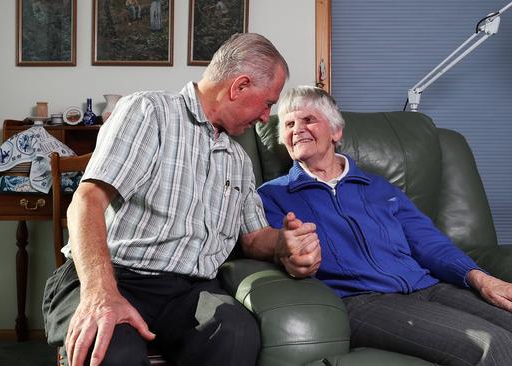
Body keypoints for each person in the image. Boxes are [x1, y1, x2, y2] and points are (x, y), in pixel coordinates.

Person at [257, 85, 512, 366]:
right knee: (493, 344)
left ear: (336, 131)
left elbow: (429, 243)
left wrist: (483, 279)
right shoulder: (274, 196)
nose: (297, 128)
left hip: (429, 287)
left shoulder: (379, 188)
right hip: (362, 301)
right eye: (288, 124)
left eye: (308, 119)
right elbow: (269, 246)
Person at [42, 34, 321, 366]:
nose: (265, 117)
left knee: (237, 334)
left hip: (188, 292)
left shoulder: (238, 160)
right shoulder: (149, 112)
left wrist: (283, 244)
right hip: (111, 275)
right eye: (268, 103)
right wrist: (100, 295)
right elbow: (87, 201)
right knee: (113, 352)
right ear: (239, 86)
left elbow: (253, 237)